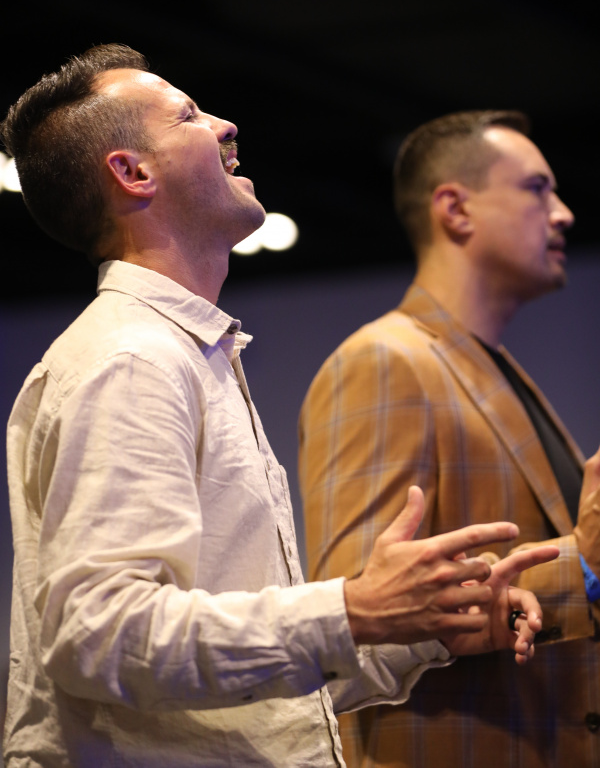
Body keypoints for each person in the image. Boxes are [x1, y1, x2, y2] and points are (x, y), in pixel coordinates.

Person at [1, 51, 556, 768]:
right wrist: (353, 609)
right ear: (132, 173)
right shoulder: (133, 358)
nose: (225, 125)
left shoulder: (184, 353)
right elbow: (101, 637)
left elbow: (261, 703)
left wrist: (421, 627)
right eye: (188, 115)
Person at [299, 109, 600, 768]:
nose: (564, 213)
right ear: (456, 210)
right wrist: (584, 570)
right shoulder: (383, 362)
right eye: (537, 189)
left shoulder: (493, 370)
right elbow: (357, 621)